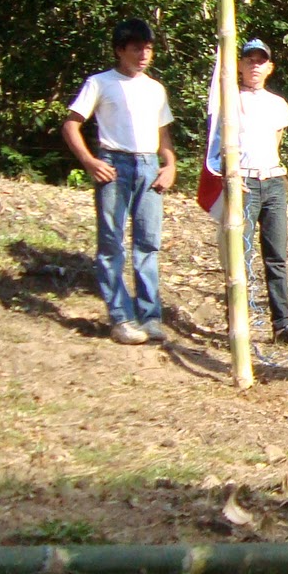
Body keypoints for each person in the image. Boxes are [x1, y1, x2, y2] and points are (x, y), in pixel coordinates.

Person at [61, 18, 176, 345]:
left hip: (148, 165)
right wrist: (89, 161)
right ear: (120, 50)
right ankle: (121, 318)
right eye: (137, 47)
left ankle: (150, 317)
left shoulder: (155, 89)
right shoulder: (100, 83)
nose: (144, 54)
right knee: (111, 243)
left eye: (148, 48)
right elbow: (71, 125)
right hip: (114, 163)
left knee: (148, 242)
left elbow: (163, 134)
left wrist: (170, 165)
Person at [204, 39, 288, 349]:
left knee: (276, 256)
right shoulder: (227, 101)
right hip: (243, 184)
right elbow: (218, 144)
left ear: (270, 67)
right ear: (238, 65)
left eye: (260, 60)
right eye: (249, 60)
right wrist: (230, 175)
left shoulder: (278, 104)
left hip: (273, 183)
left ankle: (282, 326)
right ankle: (237, 324)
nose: (254, 65)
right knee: (238, 256)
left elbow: (274, 144)